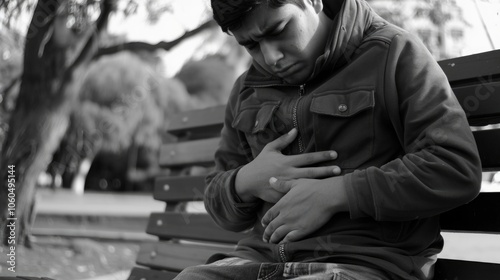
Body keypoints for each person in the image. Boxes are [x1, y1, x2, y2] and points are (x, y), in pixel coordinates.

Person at [175, 0, 482, 279]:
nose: (271, 57)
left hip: (364, 265)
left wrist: (339, 193)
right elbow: (218, 201)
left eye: (278, 29)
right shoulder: (246, 89)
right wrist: (246, 180)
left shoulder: (394, 52)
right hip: (258, 262)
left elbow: (454, 166)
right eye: (251, 46)